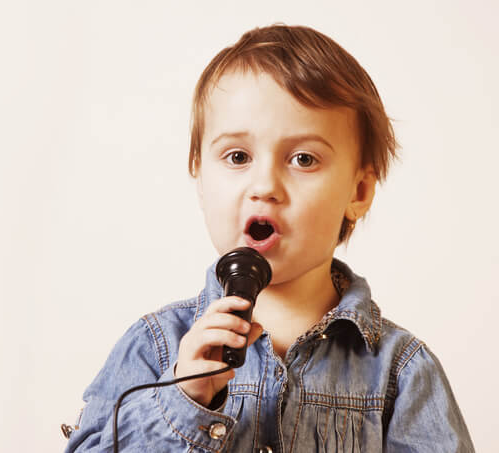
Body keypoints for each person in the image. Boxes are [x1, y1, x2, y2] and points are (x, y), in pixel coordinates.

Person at [62, 23, 474, 452]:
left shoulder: (401, 371)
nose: (265, 184)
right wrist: (182, 402)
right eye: (238, 156)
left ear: (359, 192)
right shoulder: (155, 346)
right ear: (200, 176)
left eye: (303, 159)